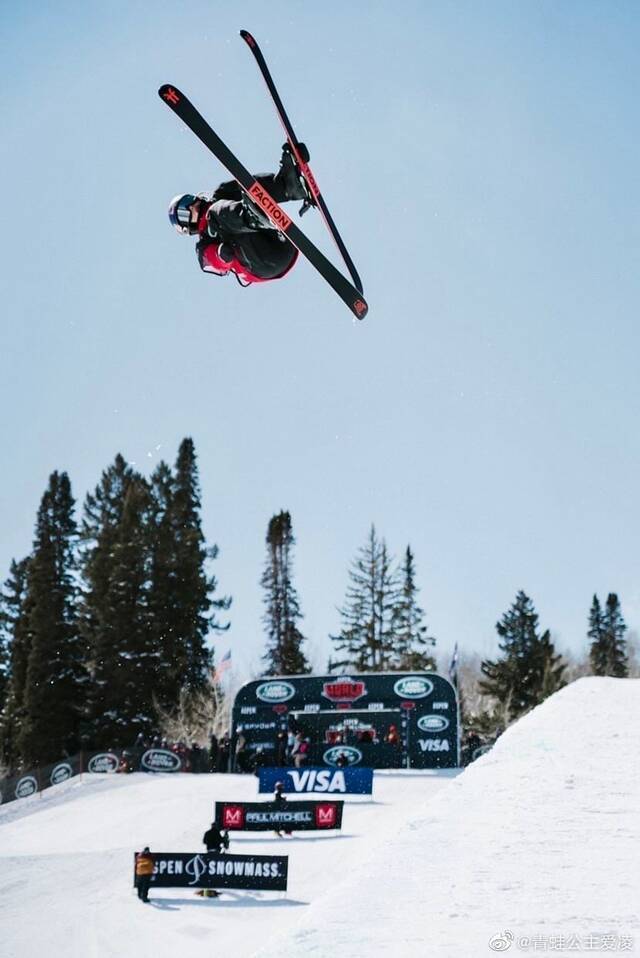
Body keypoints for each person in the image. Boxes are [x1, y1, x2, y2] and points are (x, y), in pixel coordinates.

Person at [168, 146, 307, 287]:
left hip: (283, 243)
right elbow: (210, 261)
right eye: (184, 214)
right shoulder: (205, 242)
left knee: (238, 187)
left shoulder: (222, 195)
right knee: (213, 213)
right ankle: (250, 218)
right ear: (187, 228)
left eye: (187, 201)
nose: (190, 207)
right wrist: (220, 255)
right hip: (261, 262)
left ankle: (289, 186)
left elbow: (246, 186)